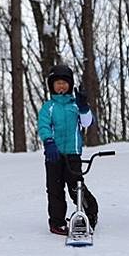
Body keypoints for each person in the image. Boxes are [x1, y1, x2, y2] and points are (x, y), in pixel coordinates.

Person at [37, 64, 99, 236]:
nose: (61, 86)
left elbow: (87, 123)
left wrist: (84, 106)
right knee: (55, 190)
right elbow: (43, 126)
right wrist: (49, 142)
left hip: (73, 154)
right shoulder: (48, 107)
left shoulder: (75, 106)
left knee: (76, 187)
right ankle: (57, 222)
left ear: (70, 85)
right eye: (57, 83)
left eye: (65, 83)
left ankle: (89, 214)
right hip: (53, 155)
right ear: (52, 86)